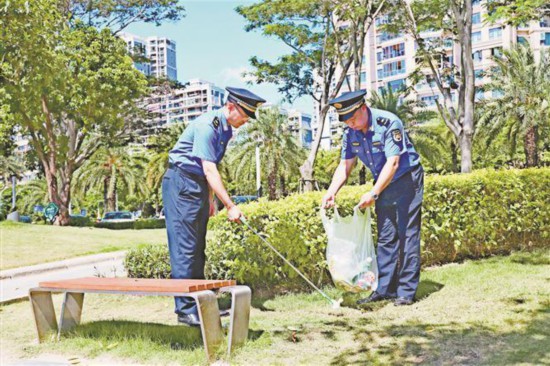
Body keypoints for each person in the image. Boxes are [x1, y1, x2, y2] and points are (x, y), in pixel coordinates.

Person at [162, 87, 266, 326]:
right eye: (245, 115)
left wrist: (210, 200)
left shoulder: (226, 129)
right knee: (185, 248)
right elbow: (209, 169)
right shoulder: (208, 126)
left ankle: (200, 305)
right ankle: (185, 311)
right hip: (180, 182)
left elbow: (207, 169)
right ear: (231, 107)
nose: (246, 121)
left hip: (196, 184)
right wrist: (230, 206)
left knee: (198, 246)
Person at [321, 90, 424, 306]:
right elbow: (345, 165)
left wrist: (374, 193)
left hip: (407, 179)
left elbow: (393, 163)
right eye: (346, 121)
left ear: (363, 108)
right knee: (386, 236)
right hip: (383, 182)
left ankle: (406, 291)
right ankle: (385, 289)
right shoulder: (351, 133)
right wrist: (332, 191)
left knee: (407, 234)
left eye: (353, 118)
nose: (350, 124)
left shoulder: (388, 123)